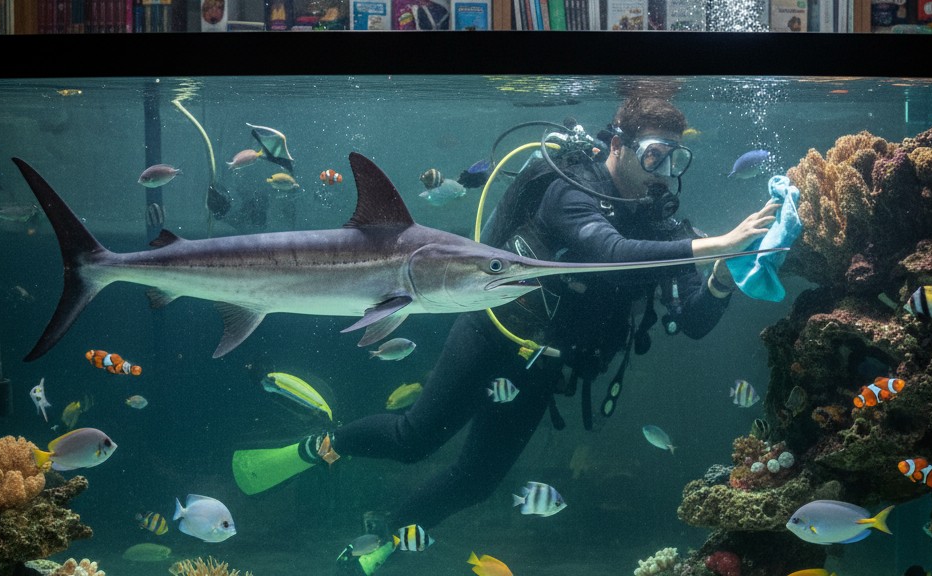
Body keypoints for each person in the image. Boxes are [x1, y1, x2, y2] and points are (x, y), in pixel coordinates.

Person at [231, 95, 778, 575]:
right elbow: (605, 252)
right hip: (493, 331)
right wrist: (714, 246)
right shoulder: (567, 188)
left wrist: (724, 273)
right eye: (654, 153)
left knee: (476, 480)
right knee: (412, 441)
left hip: (547, 367)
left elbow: (696, 320)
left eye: (675, 158)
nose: (663, 170)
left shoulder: (664, 225)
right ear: (618, 144)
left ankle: (385, 542)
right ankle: (315, 448)